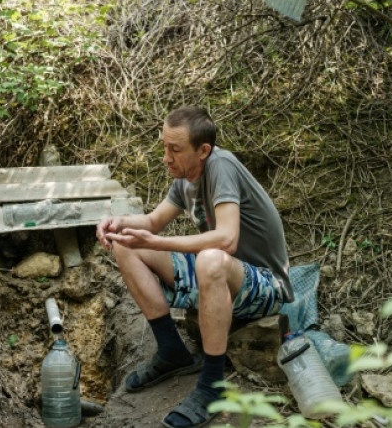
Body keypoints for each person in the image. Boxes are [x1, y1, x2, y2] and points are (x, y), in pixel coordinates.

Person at [96, 106, 294, 428]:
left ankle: (212, 386)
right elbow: (152, 221)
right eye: (164, 147)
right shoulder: (185, 179)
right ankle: (172, 351)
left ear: (203, 150)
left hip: (265, 285)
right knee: (124, 243)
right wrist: (117, 223)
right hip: (222, 276)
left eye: (175, 150)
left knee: (211, 257)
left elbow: (227, 239)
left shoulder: (221, 165)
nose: (166, 158)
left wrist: (157, 242)